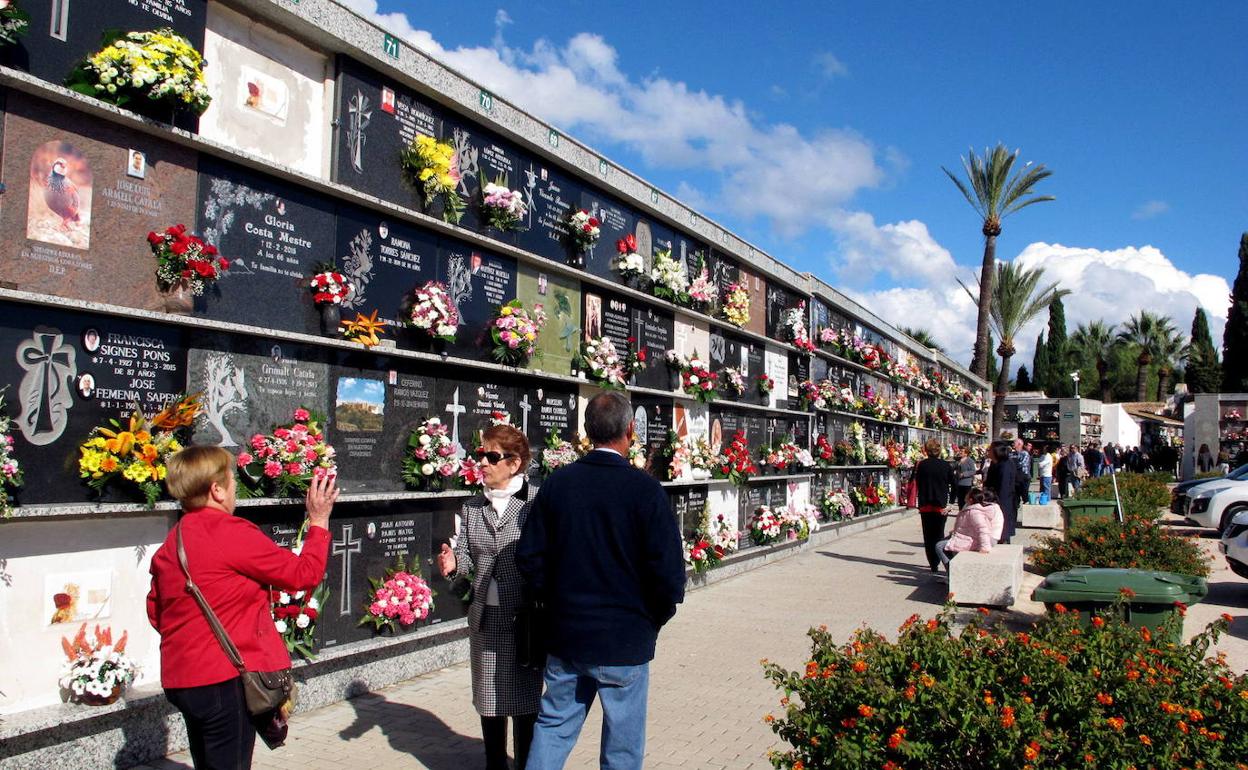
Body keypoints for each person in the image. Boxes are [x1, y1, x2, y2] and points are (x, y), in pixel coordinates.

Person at [517, 392, 686, 769]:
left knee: (554, 727)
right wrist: (651, 618)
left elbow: (529, 556)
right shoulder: (645, 490)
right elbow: (669, 574)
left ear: (587, 431)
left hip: (567, 636)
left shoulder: (558, 484)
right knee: (623, 746)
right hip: (625, 639)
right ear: (630, 431)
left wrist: (556, 603)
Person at [147, 447, 338, 769]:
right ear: (216, 489)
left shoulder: (175, 539)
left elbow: (156, 611)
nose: (235, 486)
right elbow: (301, 575)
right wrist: (318, 522)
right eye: (231, 479)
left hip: (183, 678)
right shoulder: (229, 532)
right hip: (224, 678)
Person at [436, 425, 542, 770]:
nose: (482, 462)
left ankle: (527, 764)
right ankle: (494, 764)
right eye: (481, 454)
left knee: (525, 705)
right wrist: (454, 567)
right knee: (489, 701)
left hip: (524, 620)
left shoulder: (535, 504)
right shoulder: (472, 508)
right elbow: (467, 562)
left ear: (515, 463)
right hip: (486, 620)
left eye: (492, 456)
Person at [913, 438, 955, 574]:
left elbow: (917, 482)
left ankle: (932, 563)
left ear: (926, 450)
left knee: (928, 535)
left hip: (925, 504)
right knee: (939, 534)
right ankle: (940, 560)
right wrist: (952, 501)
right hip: (940, 505)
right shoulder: (945, 465)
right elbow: (954, 483)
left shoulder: (921, 465)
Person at [935, 488, 1000, 573]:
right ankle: (952, 571)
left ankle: (952, 573)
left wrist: (984, 547)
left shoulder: (974, 512)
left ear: (970, 499)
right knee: (944, 543)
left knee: (939, 546)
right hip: (968, 537)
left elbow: (982, 529)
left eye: (967, 494)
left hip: (972, 541)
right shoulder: (971, 508)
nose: (965, 495)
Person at [984, 441, 1026, 545]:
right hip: (994, 501)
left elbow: (1004, 488)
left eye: (990, 449)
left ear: (996, 451)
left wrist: (996, 505)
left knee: (1002, 531)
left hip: (1003, 503)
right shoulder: (995, 463)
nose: (987, 451)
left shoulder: (1005, 465)